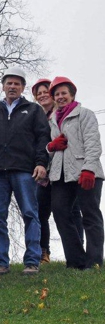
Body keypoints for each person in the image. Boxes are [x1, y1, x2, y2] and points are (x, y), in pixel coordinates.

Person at [0, 67, 50, 275]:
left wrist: (41, 163)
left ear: (23, 87)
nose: (12, 86)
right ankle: (0, 263)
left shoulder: (33, 110)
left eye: (17, 83)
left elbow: (42, 137)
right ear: (3, 86)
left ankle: (32, 260)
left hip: (24, 170)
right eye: (9, 83)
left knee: (30, 213)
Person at [48, 76, 104, 269]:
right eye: (57, 94)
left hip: (85, 172)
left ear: (72, 95)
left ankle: (94, 261)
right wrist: (51, 146)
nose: (61, 96)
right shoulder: (52, 120)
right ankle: (76, 260)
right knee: (61, 213)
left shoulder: (85, 114)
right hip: (61, 174)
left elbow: (93, 143)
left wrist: (89, 169)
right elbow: (47, 147)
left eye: (64, 93)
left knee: (90, 214)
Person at [32, 79, 84, 263]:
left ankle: (79, 249)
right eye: (38, 93)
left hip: (65, 170)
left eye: (46, 91)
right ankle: (43, 252)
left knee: (71, 210)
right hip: (45, 171)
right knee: (41, 210)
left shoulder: (62, 114)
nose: (42, 95)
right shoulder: (36, 115)